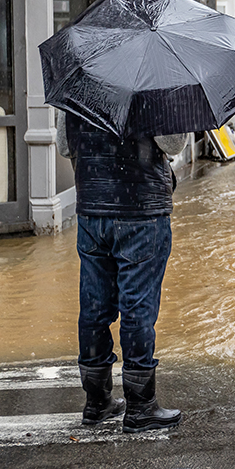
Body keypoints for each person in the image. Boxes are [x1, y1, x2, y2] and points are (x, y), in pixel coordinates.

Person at [56, 112, 186, 433]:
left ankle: (97, 403)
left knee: (94, 306)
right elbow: (173, 143)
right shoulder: (152, 75)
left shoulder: (81, 73)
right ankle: (141, 406)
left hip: (92, 207)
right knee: (136, 308)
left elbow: (63, 145)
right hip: (141, 210)